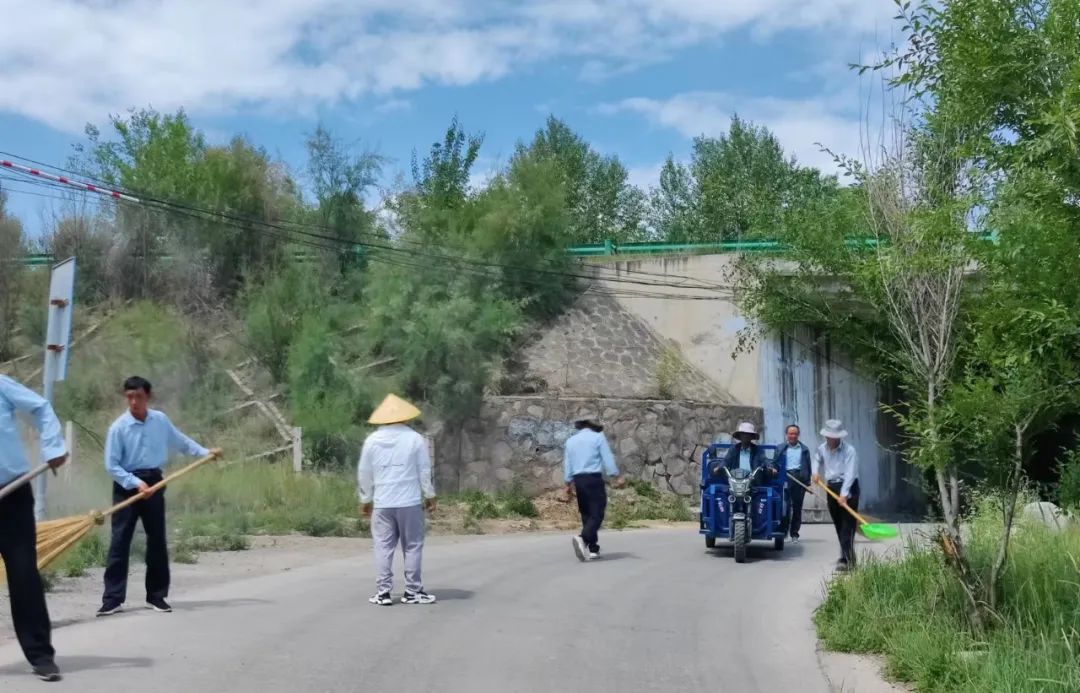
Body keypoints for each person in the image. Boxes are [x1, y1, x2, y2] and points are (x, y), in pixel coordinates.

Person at [98, 376, 218, 617]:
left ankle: (156, 596)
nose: (134, 402)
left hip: (154, 481)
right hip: (126, 485)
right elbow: (112, 466)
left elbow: (180, 441)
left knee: (157, 540)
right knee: (120, 541)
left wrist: (205, 452)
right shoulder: (118, 428)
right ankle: (112, 599)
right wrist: (135, 483)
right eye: (129, 397)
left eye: (138, 397)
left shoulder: (160, 421)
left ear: (148, 397)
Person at [0, 376, 68, 682]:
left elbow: (40, 407)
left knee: (23, 575)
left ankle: (40, 655)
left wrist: (53, 446)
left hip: (12, 495)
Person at [358, 394, 437, 606]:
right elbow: (424, 470)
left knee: (383, 547)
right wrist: (430, 495)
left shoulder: (372, 440)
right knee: (412, 546)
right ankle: (412, 591)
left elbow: (364, 472)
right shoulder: (415, 439)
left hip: (383, 503)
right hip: (410, 502)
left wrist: (366, 499)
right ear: (405, 416)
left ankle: (383, 592)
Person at [563, 411, 625, 562]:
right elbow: (607, 458)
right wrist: (616, 475)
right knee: (597, 513)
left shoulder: (571, 441)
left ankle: (593, 548)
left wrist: (567, 483)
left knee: (587, 513)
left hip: (579, 480)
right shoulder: (598, 437)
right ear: (591, 424)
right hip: (593, 478)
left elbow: (568, 463)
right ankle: (583, 538)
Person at [812, 419, 859, 571]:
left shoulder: (849, 451)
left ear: (839, 437)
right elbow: (816, 460)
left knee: (847, 525)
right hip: (831, 487)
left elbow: (851, 473)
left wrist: (844, 494)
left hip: (849, 488)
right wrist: (815, 473)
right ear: (826, 436)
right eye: (829, 437)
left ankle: (845, 560)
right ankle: (848, 557)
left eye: (835, 437)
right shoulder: (821, 449)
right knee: (839, 524)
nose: (832, 440)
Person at [780, 424, 813, 543]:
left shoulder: (804, 449)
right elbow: (774, 463)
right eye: (790, 433)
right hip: (785, 478)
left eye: (795, 433)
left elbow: (808, 466)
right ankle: (782, 532)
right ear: (786, 435)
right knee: (783, 506)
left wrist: (808, 483)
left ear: (798, 435)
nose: (793, 436)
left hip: (799, 479)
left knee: (797, 508)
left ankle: (794, 534)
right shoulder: (781, 448)